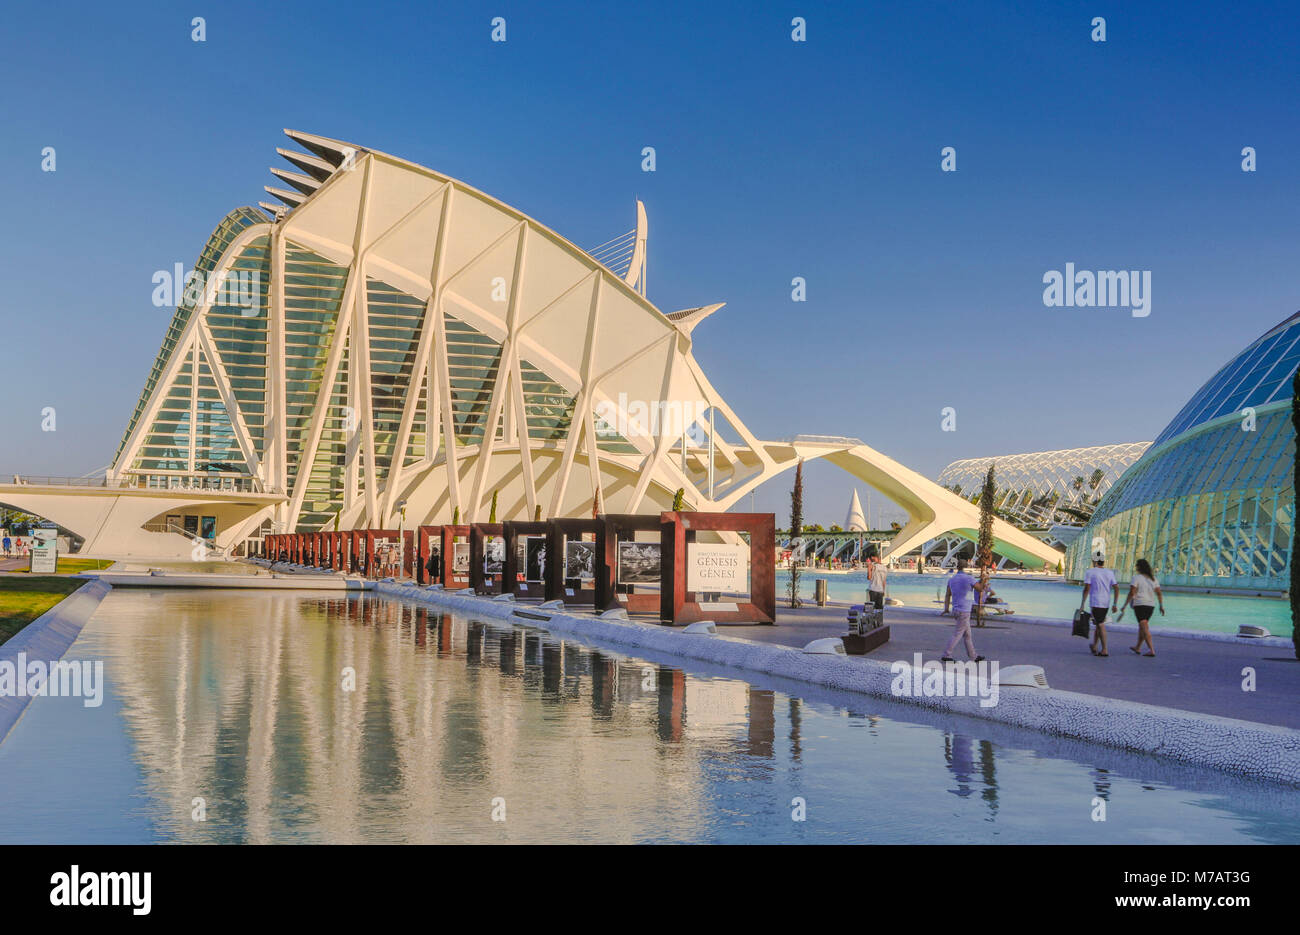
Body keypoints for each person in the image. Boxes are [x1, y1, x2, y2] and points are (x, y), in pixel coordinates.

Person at [940, 559, 985, 663]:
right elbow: (980, 589)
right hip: (964, 610)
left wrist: (946, 609)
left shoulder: (952, 580)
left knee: (967, 635)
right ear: (966, 567)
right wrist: (983, 579)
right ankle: (947, 654)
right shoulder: (969, 578)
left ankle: (974, 656)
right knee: (958, 634)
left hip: (956, 609)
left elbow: (947, 595)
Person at [1120, 558, 1164, 657]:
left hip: (1140, 605)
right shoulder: (1153, 579)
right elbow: (1159, 593)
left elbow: (1132, 592)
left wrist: (1124, 605)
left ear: (1139, 567)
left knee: (1144, 627)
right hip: (1150, 606)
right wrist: (1161, 606)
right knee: (1142, 626)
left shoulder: (1136, 578)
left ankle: (1152, 650)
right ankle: (1138, 647)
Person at [1081, 556, 1119, 657]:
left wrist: (1082, 604)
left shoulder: (1090, 572)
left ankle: (1105, 649)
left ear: (1094, 561)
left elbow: (1087, 588)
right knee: (1098, 623)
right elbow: (1116, 588)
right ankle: (1094, 645)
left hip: (1096, 602)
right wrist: (1115, 604)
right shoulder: (1109, 572)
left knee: (1100, 624)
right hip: (1106, 602)